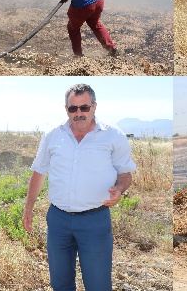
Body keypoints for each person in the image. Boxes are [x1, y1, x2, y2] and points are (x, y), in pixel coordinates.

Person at [22, 83, 136, 290]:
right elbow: (39, 171)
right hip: (58, 221)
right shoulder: (53, 135)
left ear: (94, 106)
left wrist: (119, 189)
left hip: (95, 221)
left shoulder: (113, 136)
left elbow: (125, 173)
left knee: (98, 285)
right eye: (73, 108)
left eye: (84, 107)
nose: (79, 113)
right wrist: (28, 208)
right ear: (66, 109)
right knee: (60, 284)